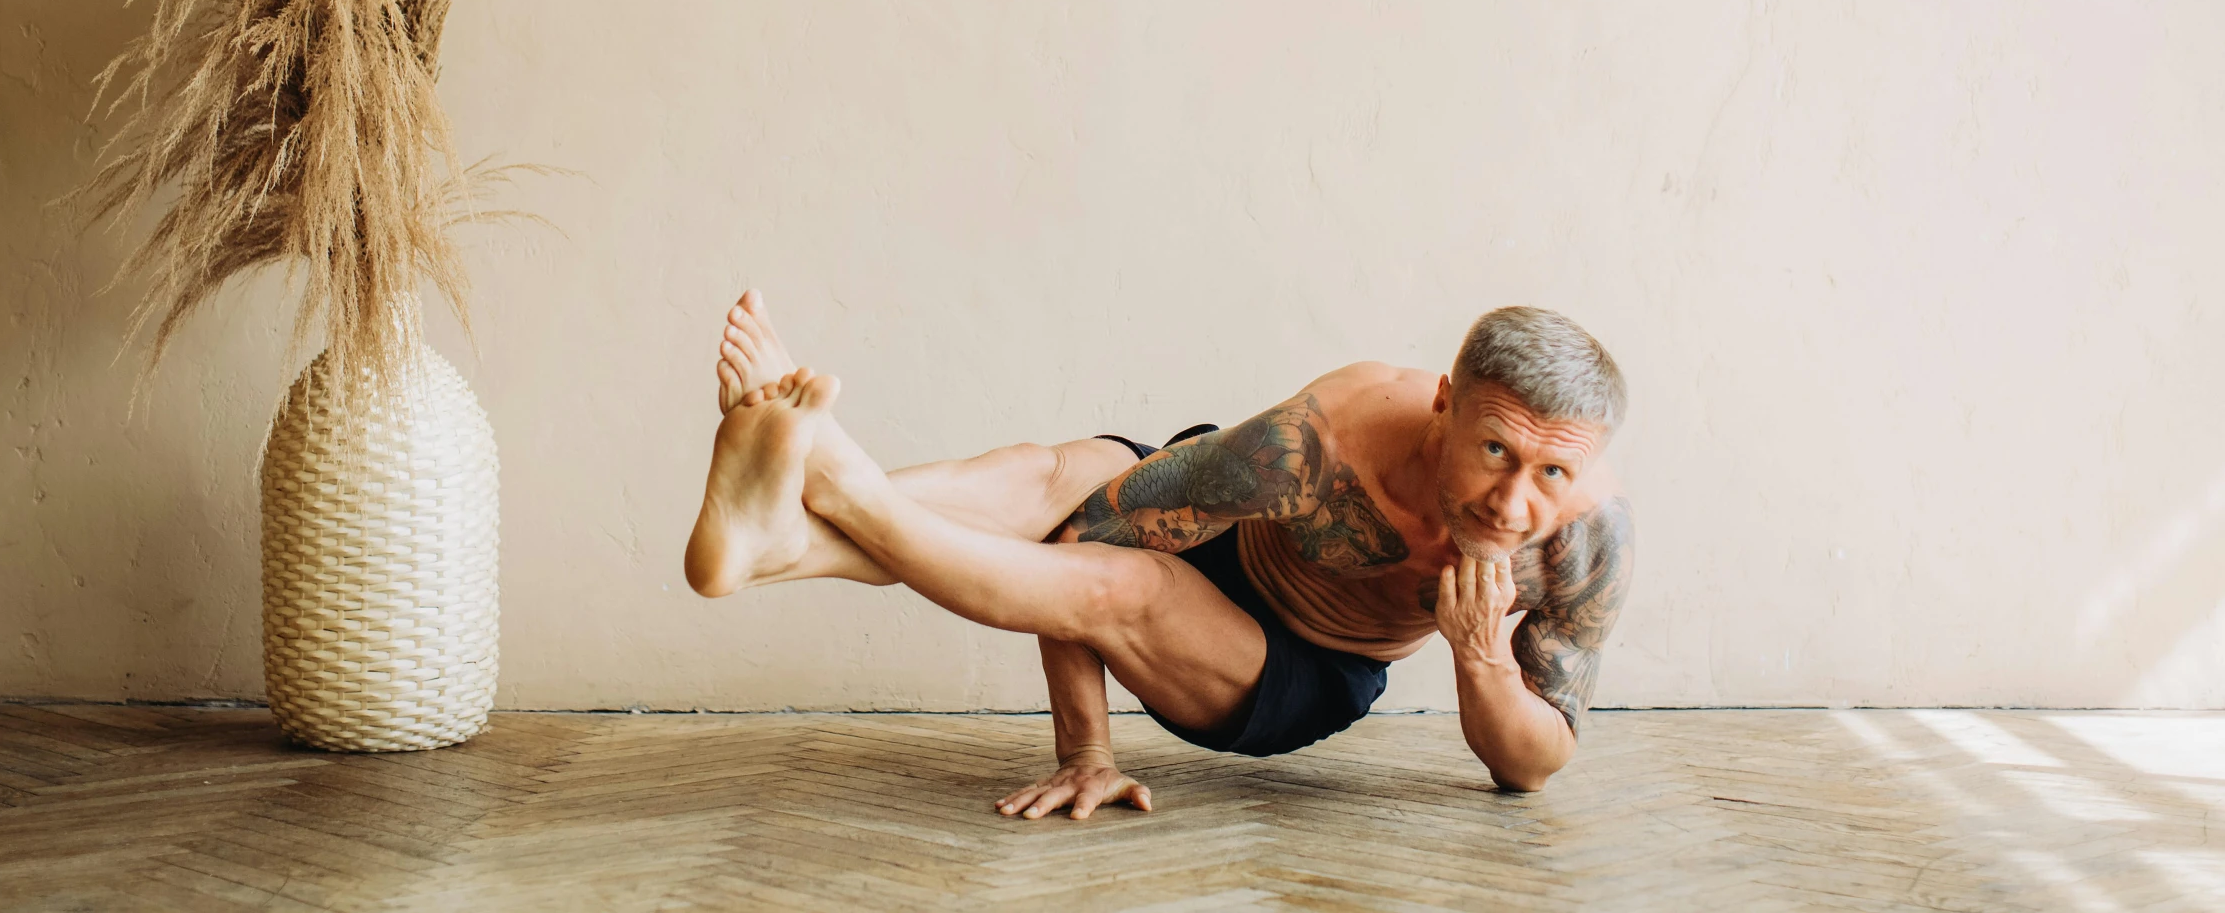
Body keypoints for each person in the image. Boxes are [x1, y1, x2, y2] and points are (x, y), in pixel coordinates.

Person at [686, 291, 1634, 819]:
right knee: (1045, 475)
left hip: (1291, 665)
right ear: (1443, 403)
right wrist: (1085, 750)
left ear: (1587, 466)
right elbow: (1078, 532)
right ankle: (781, 539)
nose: (1513, 502)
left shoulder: (1585, 542)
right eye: (1494, 450)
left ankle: (829, 473)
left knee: (1127, 586)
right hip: (1230, 527)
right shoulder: (1320, 443)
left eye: (1552, 470)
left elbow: (1530, 767)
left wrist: (1476, 656)